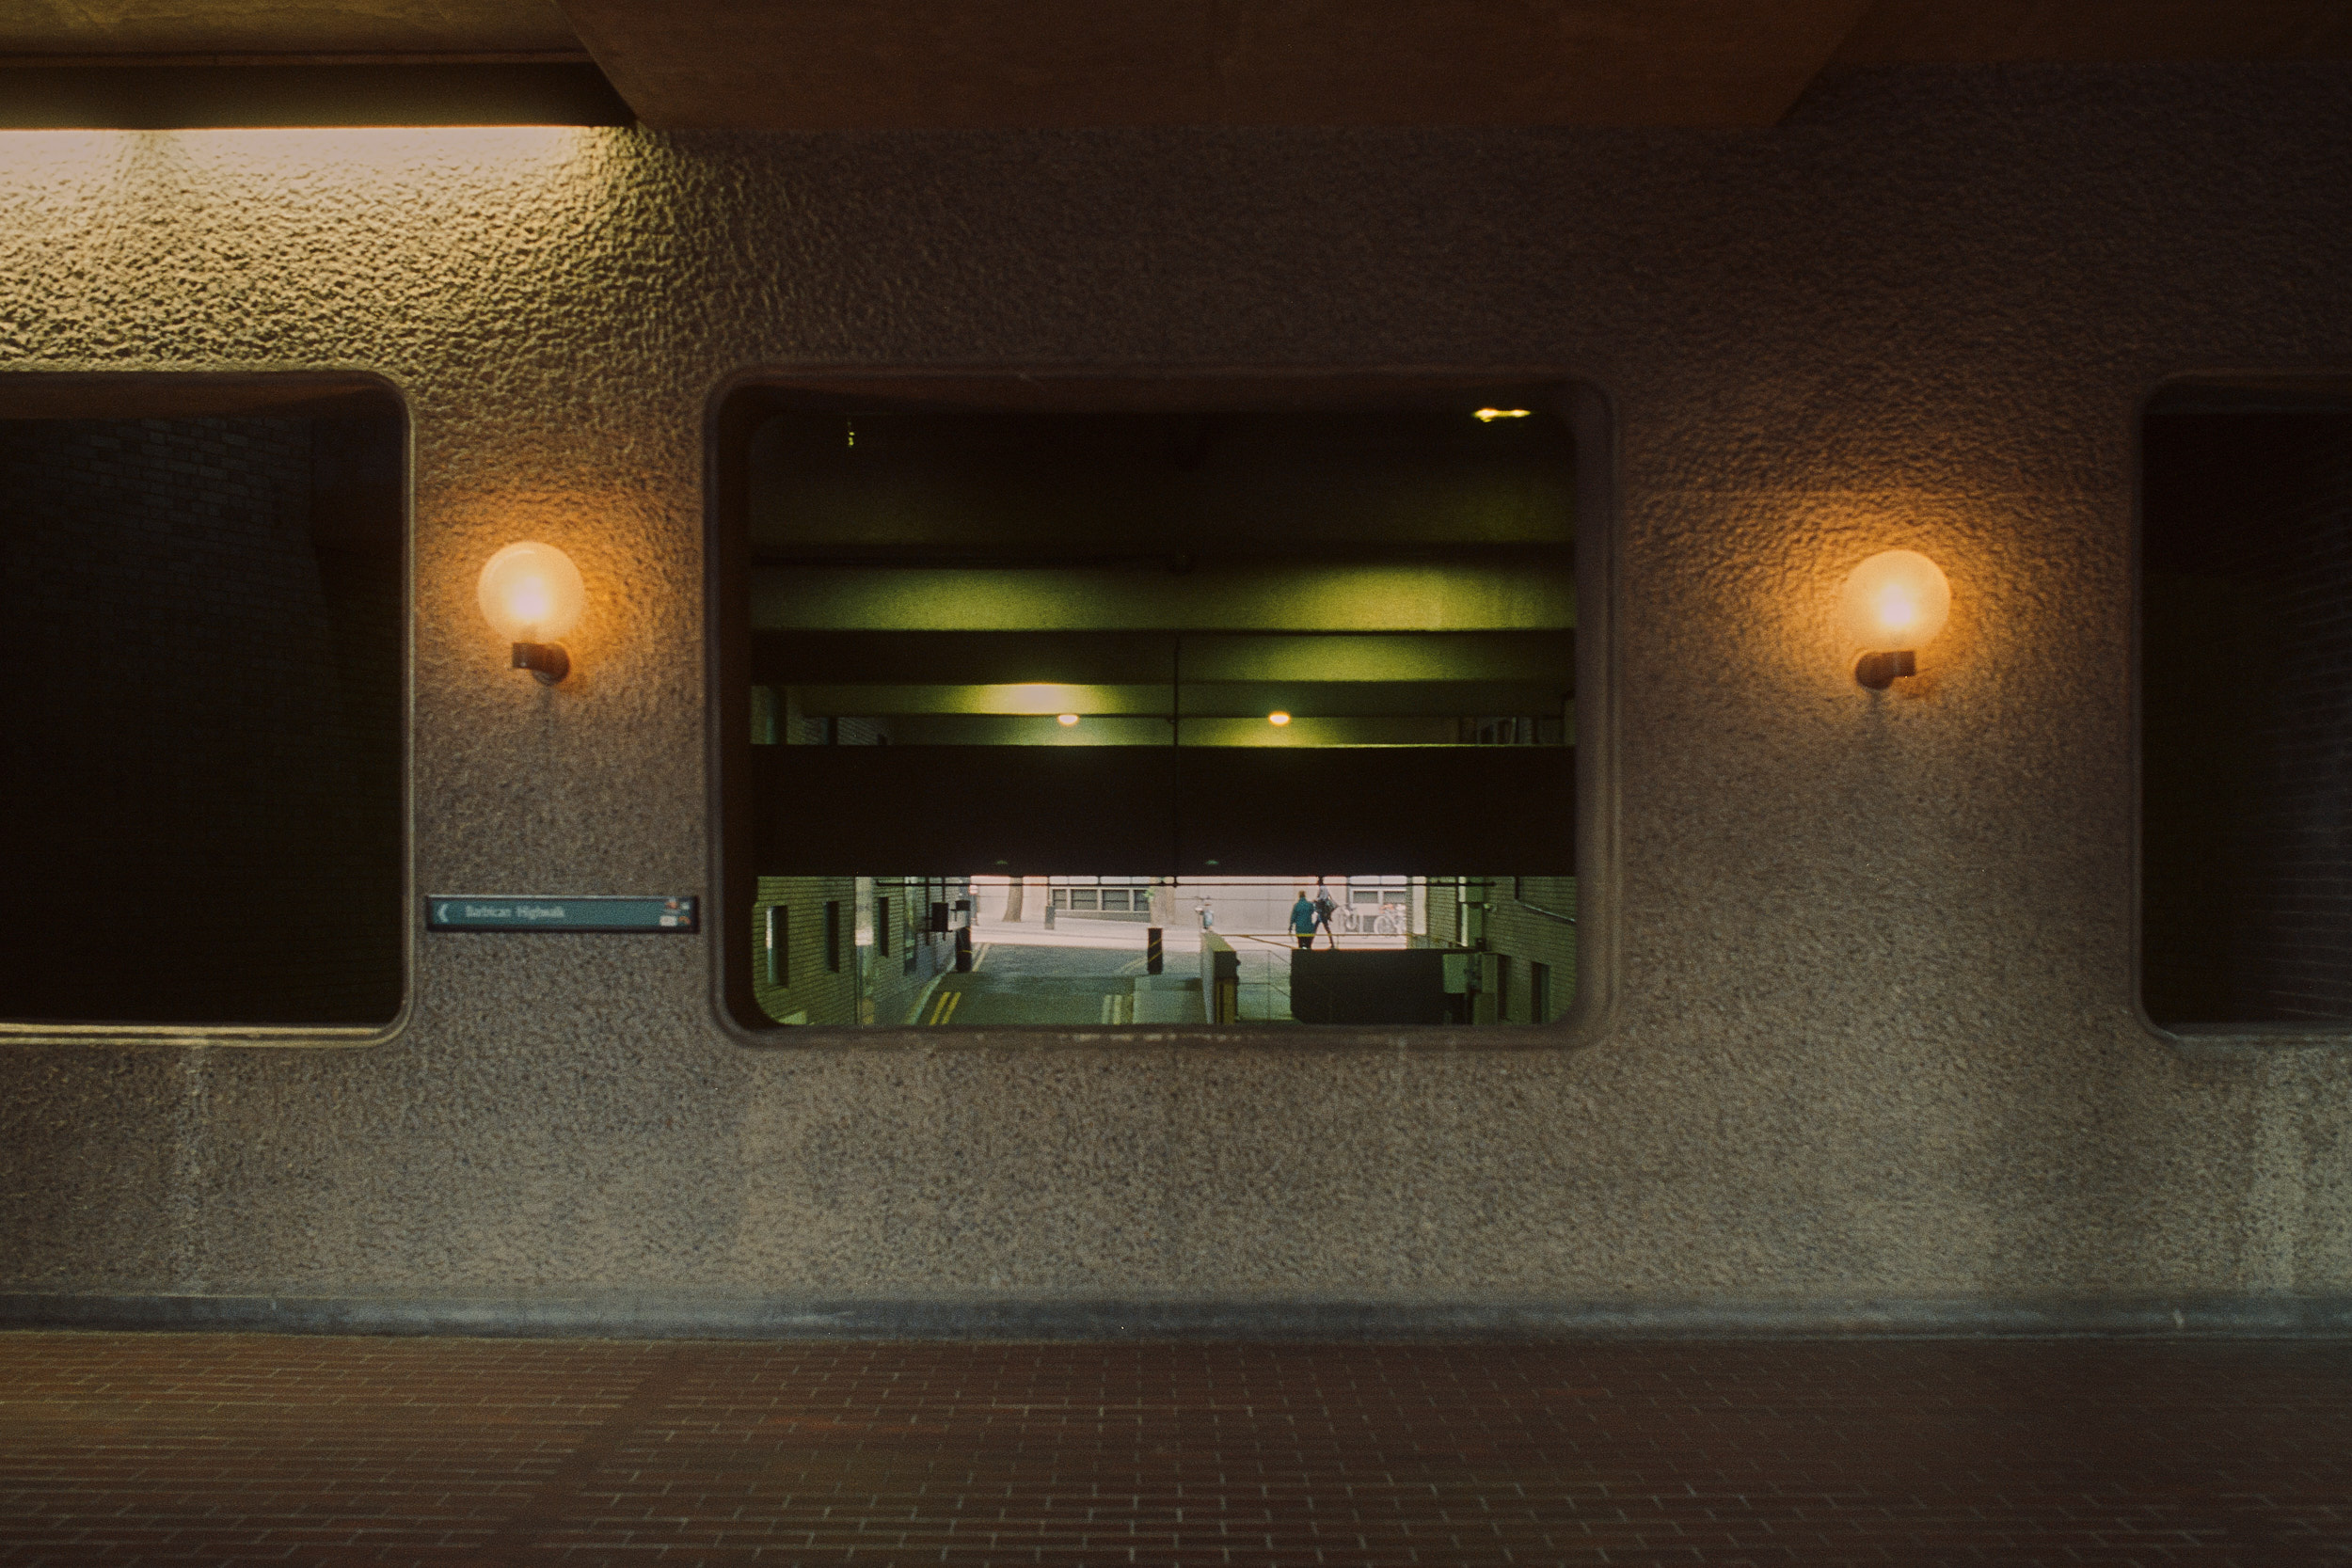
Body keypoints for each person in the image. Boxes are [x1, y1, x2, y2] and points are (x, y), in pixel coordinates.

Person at [1311, 881, 1338, 947]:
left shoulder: (1322, 888)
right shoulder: (1324, 888)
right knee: (1321, 927)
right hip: (1323, 911)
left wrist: (1315, 900)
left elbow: (1322, 898)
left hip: (1322, 911)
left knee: (1317, 928)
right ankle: (1332, 943)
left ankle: (1310, 943)